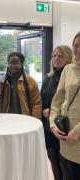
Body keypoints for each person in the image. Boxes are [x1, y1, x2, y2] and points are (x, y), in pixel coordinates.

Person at [50, 32, 80, 180]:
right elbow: (57, 101)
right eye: (76, 45)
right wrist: (53, 124)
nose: (78, 50)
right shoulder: (68, 70)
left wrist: (78, 130)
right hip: (65, 139)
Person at [41, 45, 73, 180]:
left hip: (64, 127)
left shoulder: (72, 79)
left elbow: (72, 102)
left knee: (65, 164)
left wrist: (55, 111)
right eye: (54, 55)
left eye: (60, 56)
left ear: (68, 58)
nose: (56, 58)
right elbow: (42, 98)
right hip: (49, 128)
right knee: (53, 160)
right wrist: (44, 110)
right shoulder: (48, 78)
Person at [0, 52, 41, 119]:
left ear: (21, 64)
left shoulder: (30, 81)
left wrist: (34, 120)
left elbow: (37, 104)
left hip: (25, 119)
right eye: (11, 63)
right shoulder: (1, 82)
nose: (13, 66)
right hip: (6, 118)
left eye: (16, 63)